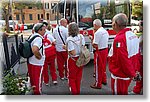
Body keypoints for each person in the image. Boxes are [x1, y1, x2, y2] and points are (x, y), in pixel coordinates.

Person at [108, 13, 140, 95]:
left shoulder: (119, 39)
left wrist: (132, 74)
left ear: (115, 24)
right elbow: (137, 55)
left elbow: (123, 60)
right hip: (128, 74)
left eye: (112, 22)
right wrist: (134, 72)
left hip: (120, 75)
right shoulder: (133, 35)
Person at [64, 22, 85, 95]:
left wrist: (66, 48)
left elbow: (73, 53)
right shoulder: (81, 36)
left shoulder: (69, 39)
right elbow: (83, 47)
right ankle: (78, 91)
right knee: (78, 77)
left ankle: (74, 93)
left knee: (72, 78)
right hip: (81, 58)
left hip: (73, 60)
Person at [90, 19, 109, 89]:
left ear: (95, 25)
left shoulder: (97, 33)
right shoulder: (105, 31)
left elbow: (95, 45)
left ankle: (98, 84)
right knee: (103, 66)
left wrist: (91, 39)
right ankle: (104, 80)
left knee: (98, 68)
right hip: (105, 50)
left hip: (100, 51)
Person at [27, 23, 45, 95]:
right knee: (38, 81)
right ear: (39, 30)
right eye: (43, 30)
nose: (45, 31)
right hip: (37, 63)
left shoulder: (32, 36)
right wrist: (39, 57)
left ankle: (34, 93)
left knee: (33, 81)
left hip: (31, 61)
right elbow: (35, 49)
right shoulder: (38, 39)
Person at [42, 21, 58, 85]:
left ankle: (46, 81)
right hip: (51, 54)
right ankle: (54, 80)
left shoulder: (39, 37)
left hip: (44, 54)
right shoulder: (49, 35)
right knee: (52, 67)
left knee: (45, 69)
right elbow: (54, 42)